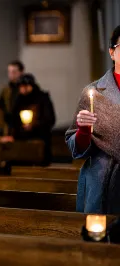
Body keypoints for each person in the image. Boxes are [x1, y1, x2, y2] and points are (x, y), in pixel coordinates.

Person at [65, 25, 120, 214]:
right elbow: (75, 147)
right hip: (102, 177)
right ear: (112, 52)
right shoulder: (95, 92)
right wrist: (84, 130)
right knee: (99, 239)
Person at [9, 74, 56, 165]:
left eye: (25, 86)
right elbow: (13, 120)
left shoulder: (42, 98)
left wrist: (34, 125)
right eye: (21, 87)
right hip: (22, 144)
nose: (23, 89)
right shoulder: (19, 100)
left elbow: (50, 119)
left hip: (40, 140)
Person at [0, 60, 24, 135]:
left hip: (24, 126)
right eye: (9, 72)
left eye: (14, 72)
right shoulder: (6, 90)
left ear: (21, 72)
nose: (11, 74)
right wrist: (5, 117)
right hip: (10, 127)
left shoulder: (26, 88)